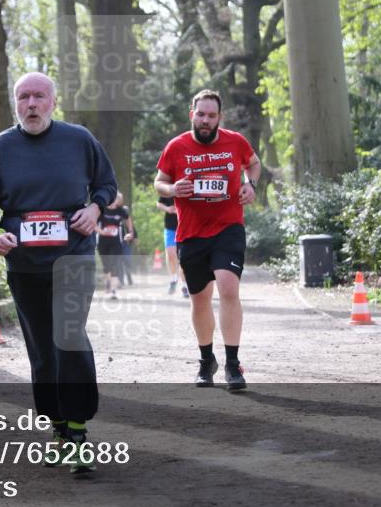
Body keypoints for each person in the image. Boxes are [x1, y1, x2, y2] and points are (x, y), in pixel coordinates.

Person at [0, 72, 117, 473]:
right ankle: (58, 430)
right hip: (25, 264)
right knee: (42, 350)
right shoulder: (0, 148)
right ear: (15, 102)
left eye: (38, 96)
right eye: (23, 97)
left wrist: (94, 209)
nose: (31, 104)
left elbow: (106, 185)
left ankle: (78, 432)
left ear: (53, 101)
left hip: (74, 256)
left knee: (69, 336)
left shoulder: (79, 140)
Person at [154, 89, 261, 391]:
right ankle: (206, 361)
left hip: (228, 228)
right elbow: (159, 182)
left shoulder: (235, 142)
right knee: (200, 299)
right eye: (200, 114)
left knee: (228, 287)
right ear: (192, 114)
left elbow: (253, 163)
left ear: (219, 118)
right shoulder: (176, 146)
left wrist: (251, 185)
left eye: (211, 116)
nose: (205, 120)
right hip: (191, 233)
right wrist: (173, 189)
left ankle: (232, 364)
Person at [96, 192, 134, 299]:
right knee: (106, 266)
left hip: (116, 242)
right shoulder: (102, 210)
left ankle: (113, 290)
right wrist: (102, 232)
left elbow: (128, 219)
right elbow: (93, 223)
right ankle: (108, 284)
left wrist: (130, 232)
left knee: (114, 264)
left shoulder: (121, 211)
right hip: (103, 242)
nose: (116, 201)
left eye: (117, 199)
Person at [156, 195, 187, 297]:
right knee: (170, 255)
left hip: (185, 228)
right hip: (170, 228)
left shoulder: (188, 188)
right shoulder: (168, 188)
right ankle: (173, 280)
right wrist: (167, 209)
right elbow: (159, 203)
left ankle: (184, 285)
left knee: (184, 258)